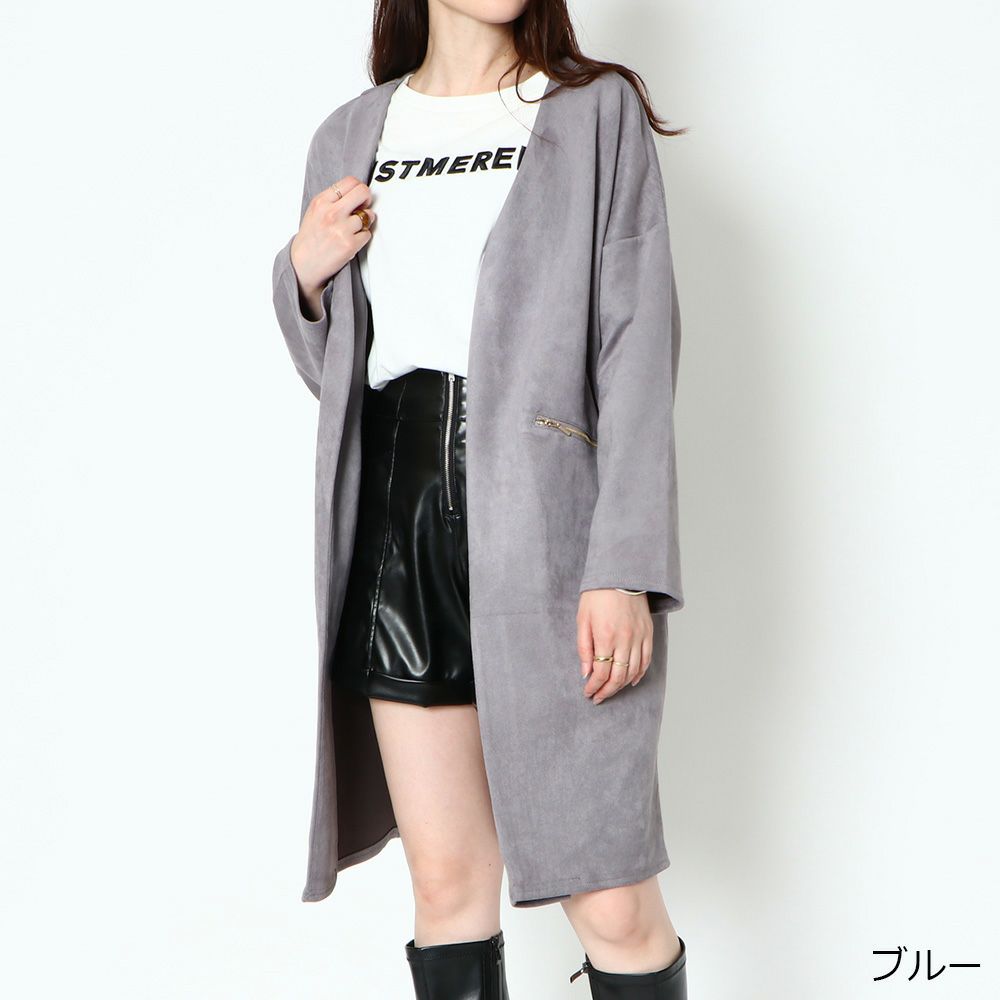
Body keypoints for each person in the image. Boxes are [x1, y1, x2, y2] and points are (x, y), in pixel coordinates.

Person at [272, 2, 688, 997]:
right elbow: (336, 378)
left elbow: (637, 349)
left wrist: (624, 565)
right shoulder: (350, 134)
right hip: (394, 521)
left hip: (549, 531)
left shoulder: (594, 113)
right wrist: (303, 278)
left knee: (613, 899)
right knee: (449, 883)